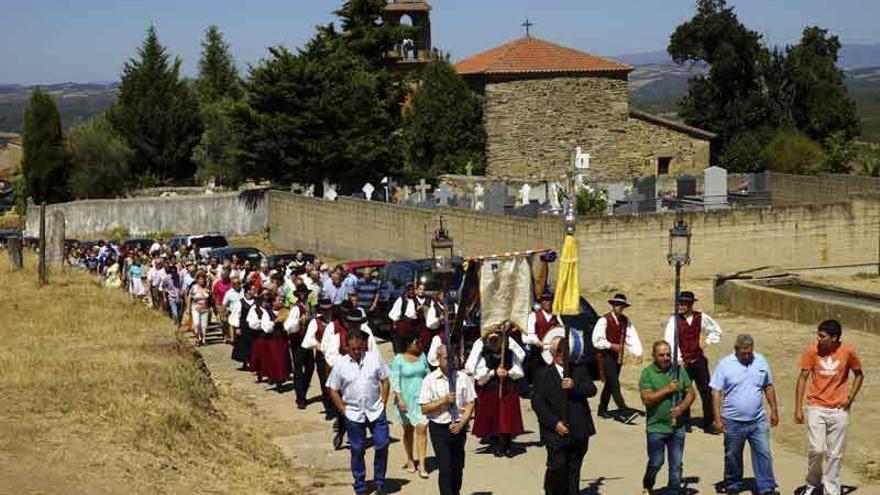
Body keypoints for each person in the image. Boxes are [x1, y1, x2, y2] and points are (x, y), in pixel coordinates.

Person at [795, 319, 864, 495]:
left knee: (835, 453)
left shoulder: (848, 351)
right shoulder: (812, 351)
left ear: (834, 338)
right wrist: (798, 408)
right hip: (816, 406)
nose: (819, 339)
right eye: (818, 335)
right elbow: (802, 378)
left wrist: (850, 398)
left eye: (822, 336)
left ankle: (831, 489)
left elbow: (858, 375)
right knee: (817, 449)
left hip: (839, 409)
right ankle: (812, 484)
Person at [710, 334, 780, 495]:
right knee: (733, 454)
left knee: (764, 453)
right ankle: (733, 483)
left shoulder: (760, 360)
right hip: (733, 421)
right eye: (743, 353)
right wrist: (717, 419)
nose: (747, 356)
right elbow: (716, 392)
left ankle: (767, 486)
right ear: (736, 350)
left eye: (749, 353)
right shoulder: (725, 364)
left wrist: (774, 410)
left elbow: (768, 386)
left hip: (757, 420)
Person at [326, 330, 391, 495]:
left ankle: (380, 481)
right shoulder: (341, 364)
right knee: (357, 449)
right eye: (352, 349)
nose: (356, 352)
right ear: (347, 347)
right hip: (353, 413)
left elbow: (385, 380)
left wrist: (384, 401)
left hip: (375, 410)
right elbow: (333, 389)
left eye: (359, 348)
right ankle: (360, 483)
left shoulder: (374, 359)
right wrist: (342, 408)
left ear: (363, 345)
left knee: (382, 444)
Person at [531, 335, 598, 495]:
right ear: (553, 353)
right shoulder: (543, 374)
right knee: (557, 467)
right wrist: (555, 423)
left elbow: (591, 389)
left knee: (574, 467)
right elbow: (538, 404)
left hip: (579, 428)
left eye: (566, 351)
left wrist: (574, 386)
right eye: (559, 351)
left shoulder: (579, 370)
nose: (562, 355)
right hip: (555, 432)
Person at [639, 341, 696, 495]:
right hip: (656, 427)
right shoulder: (648, 373)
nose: (665, 358)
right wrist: (667, 390)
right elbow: (647, 399)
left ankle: (673, 490)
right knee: (657, 461)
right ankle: (648, 485)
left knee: (676, 463)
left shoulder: (678, 370)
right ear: (654, 356)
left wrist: (682, 408)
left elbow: (691, 393)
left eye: (668, 355)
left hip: (677, 427)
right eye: (661, 355)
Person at [419, 344, 476, 495]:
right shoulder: (430, 380)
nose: (450, 361)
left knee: (457, 467)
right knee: (445, 468)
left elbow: (471, 403)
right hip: (439, 427)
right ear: (438, 359)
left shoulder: (463, 378)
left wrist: (462, 422)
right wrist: (443, 401)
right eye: (446, 358)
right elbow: (424, 408)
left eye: (452, 358)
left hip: (458, 426)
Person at [664, 290, 723, 433]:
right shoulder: (675, 320)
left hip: (698, 359)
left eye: (685, 303)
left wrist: (707, 342)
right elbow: (670, 340)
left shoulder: (700, 317)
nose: (681, 306)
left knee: (706, 391)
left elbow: (716, 330)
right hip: (683, 361)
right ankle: (685, 422)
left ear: (691, 304)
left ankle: (709, 423)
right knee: (684, 391)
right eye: (680, 303)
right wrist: (677, 358)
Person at [472, 330, 525, 457]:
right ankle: (497, 443)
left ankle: (506, 444)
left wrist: (508, 373)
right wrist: (493, 372)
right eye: (493, 340)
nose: (495, 343)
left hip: (508, 388)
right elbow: (476, 373)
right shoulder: (484, 352)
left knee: (507, 418)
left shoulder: (509, 352)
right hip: (490, 388)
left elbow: (519, 367)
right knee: (494, 417)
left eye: (498, 339)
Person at [591, 293, 643, 420]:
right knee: (614, 383)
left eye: (621, 305)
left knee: (610, 383)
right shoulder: (604, 320)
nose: (619, 307)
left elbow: (632, 336)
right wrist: (610, 345)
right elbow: (596, 340)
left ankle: (602, 409)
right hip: (605, 356)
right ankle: (623, 410)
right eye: (617, 304)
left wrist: (637, 352)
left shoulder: (625, 321)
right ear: (613, 305)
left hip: (617, 357)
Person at [389, 333, 431, 478]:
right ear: (407, 343)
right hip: (405, 400)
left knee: (422, 429)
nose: (417, 344)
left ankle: (423, 465)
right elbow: (394, 380)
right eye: (414, 341)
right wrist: (399, 398)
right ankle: (410, 459)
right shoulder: (398, 359)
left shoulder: (422, 357)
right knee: (408, 431)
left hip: (421, 400)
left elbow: (428, 375)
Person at [301, 298, 336, 418]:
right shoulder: (315, 322)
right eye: (324, 310)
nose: (327, 312)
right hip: (322, 356)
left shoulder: (336, 321)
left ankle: (338, 408)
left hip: (337, 356)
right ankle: (329, 409)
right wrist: (318, 345)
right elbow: (308, 339)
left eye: (329, 309)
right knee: (325, 382)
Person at [284, 285, 312, 409]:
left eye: (304, 293)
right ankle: (300, 398)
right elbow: (288, 326)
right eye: (301, 293)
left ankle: (303, 393)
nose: (303, 295)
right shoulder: (296, 309)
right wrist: (299, 322)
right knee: (299, 370)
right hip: (298, 342)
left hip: (308, 342)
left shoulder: (307, 307)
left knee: (310, 367)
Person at [524, 293, 560, 383]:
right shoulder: (533, 316)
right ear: (541, 302)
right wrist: (537, 342)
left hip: (552, 351)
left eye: (550, 300)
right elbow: (527, 335)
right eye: (545, 300)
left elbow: (561, 331)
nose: (548, 303)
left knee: (553, 377)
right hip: (538, 352)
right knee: (539, 376)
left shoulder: (556, 316)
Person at [231, 283, 257, 370]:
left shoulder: (257, 301)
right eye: (253, 289)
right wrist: (237, 327)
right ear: (248, 291)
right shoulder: (240, 303)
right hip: (244, 327)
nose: (254, 291)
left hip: (254, 327)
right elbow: (236, 315)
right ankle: (245, 362)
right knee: (244, 346)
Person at [189, 271, 212, 346]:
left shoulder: (207, 287)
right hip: (195, 308)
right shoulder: (194, 287)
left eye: (203, 279)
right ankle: (198, 337)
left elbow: (211, 298)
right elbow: (189, 297)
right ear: (197, 279)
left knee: (204, 326)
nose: (202, 280)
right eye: (200, 279)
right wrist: (187, 308)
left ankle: (203, 339)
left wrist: (212, 307)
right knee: (196, 324)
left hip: (205, 309)